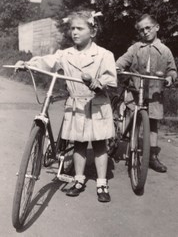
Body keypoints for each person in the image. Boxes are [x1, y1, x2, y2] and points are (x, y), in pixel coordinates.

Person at [15, 10, 117, 202]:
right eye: (72, 29)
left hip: (97, 104)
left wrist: (98, 82)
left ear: (93, 32)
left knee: (99, 144)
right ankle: (79, 179)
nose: (75, 32)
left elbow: (111, 79)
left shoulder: (104, 54)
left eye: (80, 28)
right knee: (78, 143)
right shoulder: (65, 54)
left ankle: (102, 182)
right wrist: (28, 64)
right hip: (76, 103)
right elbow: (47, 61)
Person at [116, 14, 177, 173]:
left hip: (154, 93)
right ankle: (131, 146)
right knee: (133, 119)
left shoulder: (164, 50)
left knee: (153, 123)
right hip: (136, 90)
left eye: (148, 28)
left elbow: (172, 69)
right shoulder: (135, 48)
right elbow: (123, 61)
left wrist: (170, 77)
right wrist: (118, 67)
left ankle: (152, 157)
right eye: (141, 30)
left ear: (156, 27)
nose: (145, 32)